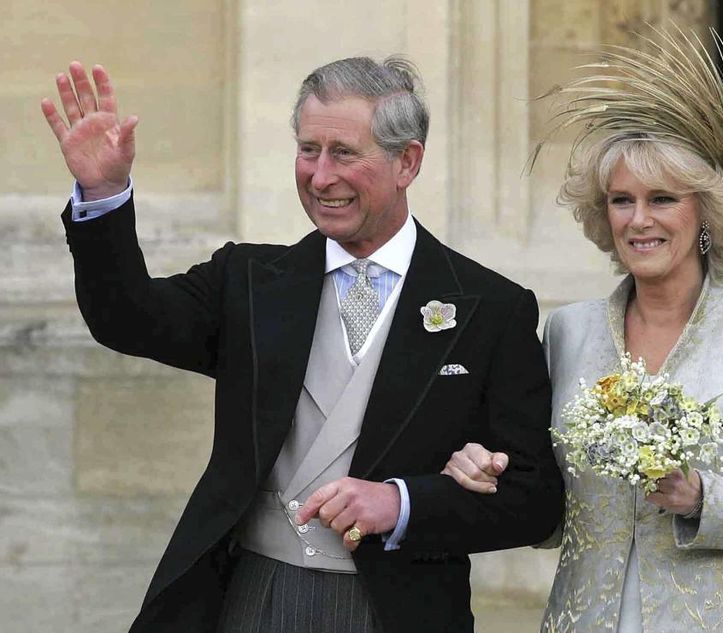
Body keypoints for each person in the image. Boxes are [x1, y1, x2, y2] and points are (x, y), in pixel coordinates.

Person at [42, 56, 563, 633]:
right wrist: (105, 195)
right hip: (249, 597)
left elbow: (533, 499)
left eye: (343, 153)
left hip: (398, 610)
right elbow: (127, 320)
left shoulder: (491, 307)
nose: (319, 176)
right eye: (308, 150)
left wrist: (404, 503)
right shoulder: (249, 280)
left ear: (407, 161)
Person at [443, 28, 723, 632]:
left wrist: (704, 497)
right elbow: (549, 513)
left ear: (704, 212)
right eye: (621, 201)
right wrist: (487, 477)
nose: (639, 220)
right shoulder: (568, 333)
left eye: (662, 199)